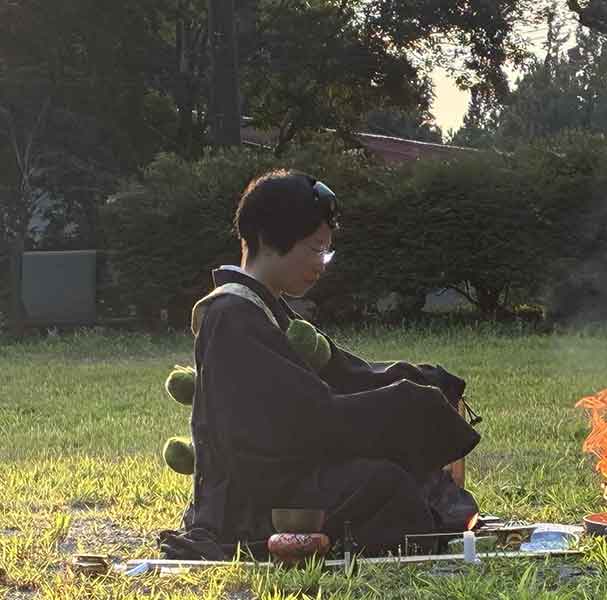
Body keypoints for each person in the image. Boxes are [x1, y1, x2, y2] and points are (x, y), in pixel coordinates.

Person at [159, 170, 480, 560]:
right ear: (266, 240)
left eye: (327, 250)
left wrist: (427, 384)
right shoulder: (231, 316)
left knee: (395, 475)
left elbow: (346, 373)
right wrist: (409, 405)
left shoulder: (268, 311)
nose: (322, 264)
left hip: (282, 477)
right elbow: (308, 416)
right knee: (385, 483)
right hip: (250, 501)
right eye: (315, 248)